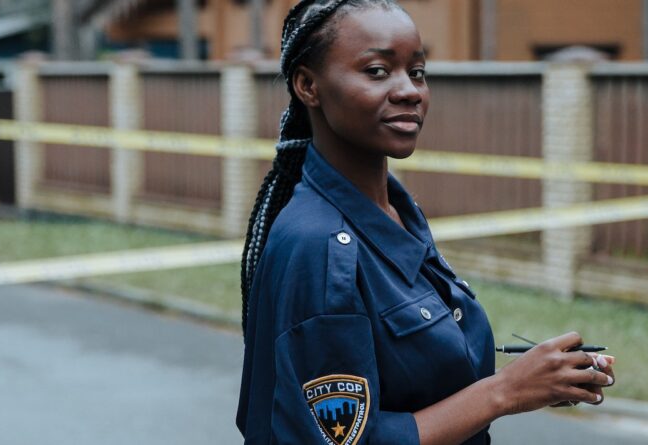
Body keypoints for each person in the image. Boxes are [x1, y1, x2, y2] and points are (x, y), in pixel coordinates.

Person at [236, 1, 616, 444]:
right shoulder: (320, 245)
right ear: (308, 85)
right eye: (377, 71)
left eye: (417, 72)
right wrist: (506, 391)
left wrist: (541, 376)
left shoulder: (396, 211)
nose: (409, 91)